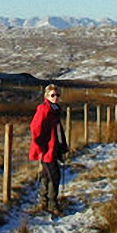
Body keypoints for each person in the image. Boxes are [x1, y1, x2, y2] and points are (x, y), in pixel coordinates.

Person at [28, 84, 68, 214]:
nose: (55, 97)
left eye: (57, 95)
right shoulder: (44, 109)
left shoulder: (55, 109)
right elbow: (35, 128)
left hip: (54, 148)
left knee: (46, 174)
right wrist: (40, 147)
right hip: (47, 150)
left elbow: (57, 130)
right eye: (52, 95)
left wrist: (62, 146)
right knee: (54, 176)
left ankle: (44, 201)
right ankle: (52, 204)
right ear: (46, 96)